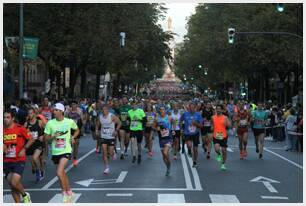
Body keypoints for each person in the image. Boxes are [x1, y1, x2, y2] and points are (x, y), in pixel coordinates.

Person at [44, 103, 80, 203]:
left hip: (66, 150)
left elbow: (77, 130)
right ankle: (69, 192)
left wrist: (73, 137)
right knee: (62, 174)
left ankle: (64, 193)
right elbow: (46, 138)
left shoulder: (69, 121)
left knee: (59, 172)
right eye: (53, 110)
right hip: (55, 151)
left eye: (56, 110)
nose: (53, 111)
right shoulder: (50, 123)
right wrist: (52, 136)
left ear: (61, 111)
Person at [4, 110, 34, 203]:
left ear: (13, 118)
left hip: (18, 160)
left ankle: (25, 196)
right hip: (6, 161)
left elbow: (31, 139)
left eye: (8, 117)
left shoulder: (20, 128)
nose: (5, 119)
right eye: (4, 117)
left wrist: (24, 149)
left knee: (14, 182)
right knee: (12, 186)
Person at [96, 104, 121, 174]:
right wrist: (96, 130)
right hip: (103, 136)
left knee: (110, 153)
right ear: (102, 110)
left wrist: (116, 130)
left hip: (111, 137)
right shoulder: (100, 117)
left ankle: (113, 154)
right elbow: (97, 124)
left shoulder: (112, 116)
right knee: (104, 152)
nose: (104, 111)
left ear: (108, 110)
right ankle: (107, 168)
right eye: (103, 110)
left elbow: (119, 123)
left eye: (106, 109)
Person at [24, 107, 45, 182]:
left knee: (35, 158)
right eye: (28, 113)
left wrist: (43, 136)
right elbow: (23, 134)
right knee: (32, 163)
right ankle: (35, 169)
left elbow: (46, 131)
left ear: (34, 114)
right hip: (30, 145)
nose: (30, 115)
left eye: (31, 113)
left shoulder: (39, 122)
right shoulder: (26, 124)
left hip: (38, 144)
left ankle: (39, 172)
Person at [180, 102, 203, 167]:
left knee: (195, 149)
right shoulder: (185, 114)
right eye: (190, 108)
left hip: (195, 133)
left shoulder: (198, 115)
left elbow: (201, 126)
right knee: (189, 145)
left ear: (195, 108)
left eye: (193, 108)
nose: (192, 109)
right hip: (187, 133)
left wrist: (196, 123)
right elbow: (180, 121)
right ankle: (189, 150)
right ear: (188, 108)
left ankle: (195, 161)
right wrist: (181, 128)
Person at [211, 104, 232, 171]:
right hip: (216, 135)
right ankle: (219, 154)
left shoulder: (225, 117)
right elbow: (212, 125)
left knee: (224, 150)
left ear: (222, 110)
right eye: (217, 109)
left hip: (224, 136)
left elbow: (229, 126)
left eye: (219, 109)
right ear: (216, 110)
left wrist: (228, 123)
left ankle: (223, 164)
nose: (218, 110)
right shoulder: (213, 117)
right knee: (217, 149)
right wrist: (211, 128)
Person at [154, 106, 173, 176]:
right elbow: (153, 126)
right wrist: (157, 129)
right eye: (161, 110)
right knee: (164, 156)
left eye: (163, 110)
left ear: (165, 111)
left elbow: (174, 122)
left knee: (165, 153)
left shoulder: (169, 117)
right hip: (161, 139)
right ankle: (168, 166)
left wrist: (173, 130)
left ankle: (169, 164)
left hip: (168, 138)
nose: (162, 111)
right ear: (159, 111)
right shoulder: (157, 119)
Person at [67, 101, 83, 167]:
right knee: (70, 144)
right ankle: (70, 152)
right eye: (72, 104)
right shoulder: (68, 112)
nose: (74, 106)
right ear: (71, 105)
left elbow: (82, 121)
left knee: (76, 144)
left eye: (75, 104)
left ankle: (75, 159)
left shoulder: (79, 112)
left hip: (77, 129)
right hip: (70, 130)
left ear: (77, 105)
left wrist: (81, 129)